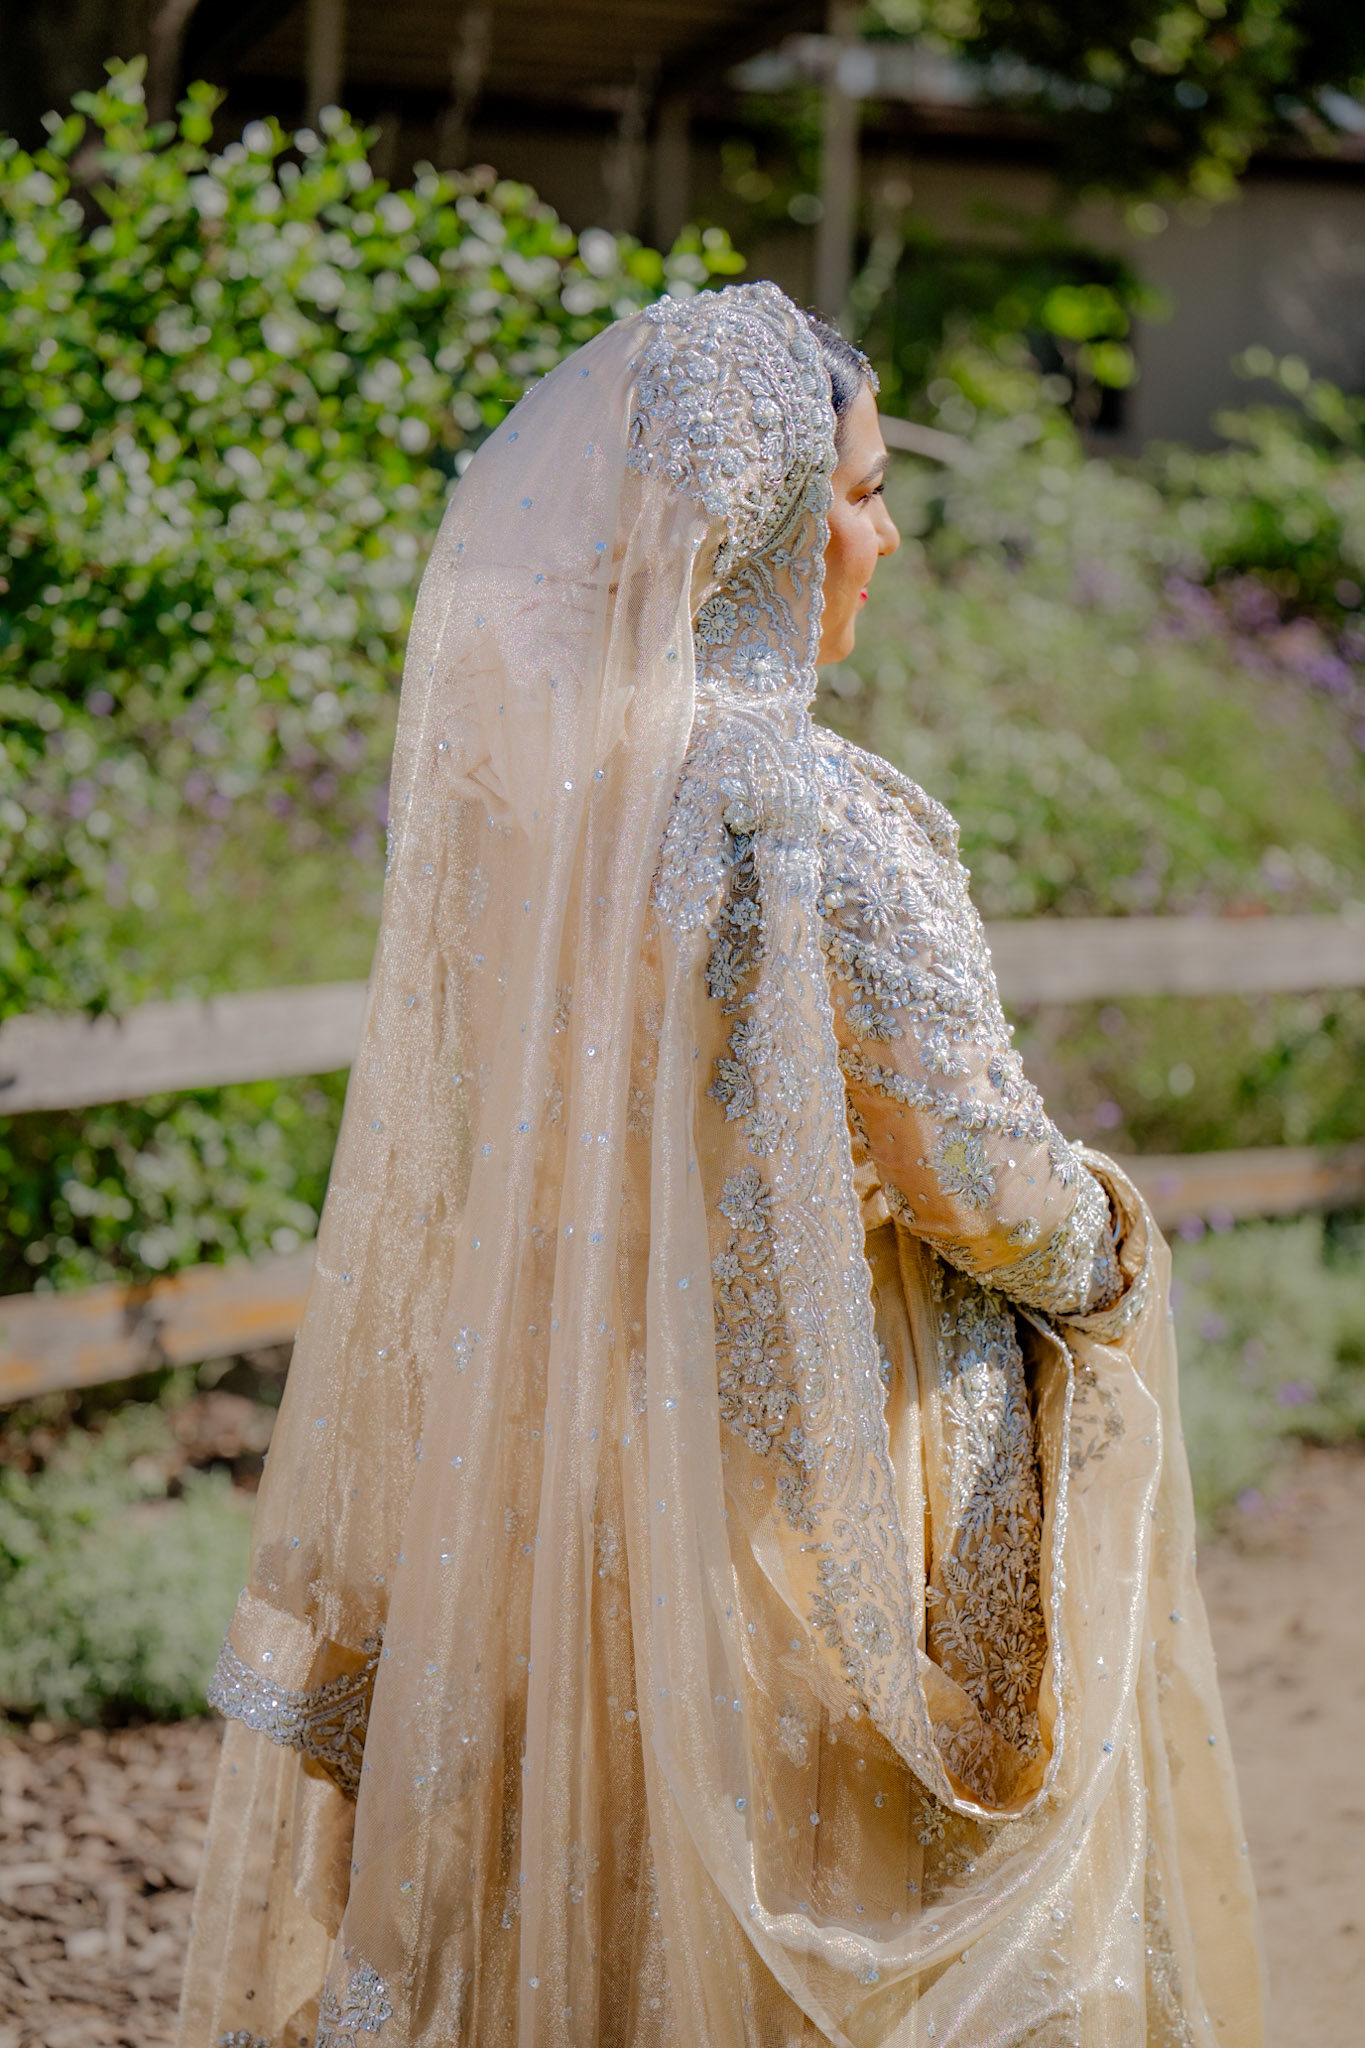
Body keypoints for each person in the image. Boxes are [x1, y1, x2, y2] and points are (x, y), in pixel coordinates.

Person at [179, 282, 1265, 2048]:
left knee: (576, 1895)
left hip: (548, 1460)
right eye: (863, 495)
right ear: (764, 522)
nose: (885, 540)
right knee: (816, 1898)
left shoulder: (533, 813)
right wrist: (1113, 1248)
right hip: (807, 1485)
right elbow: (966, 1171)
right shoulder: (809, 815)